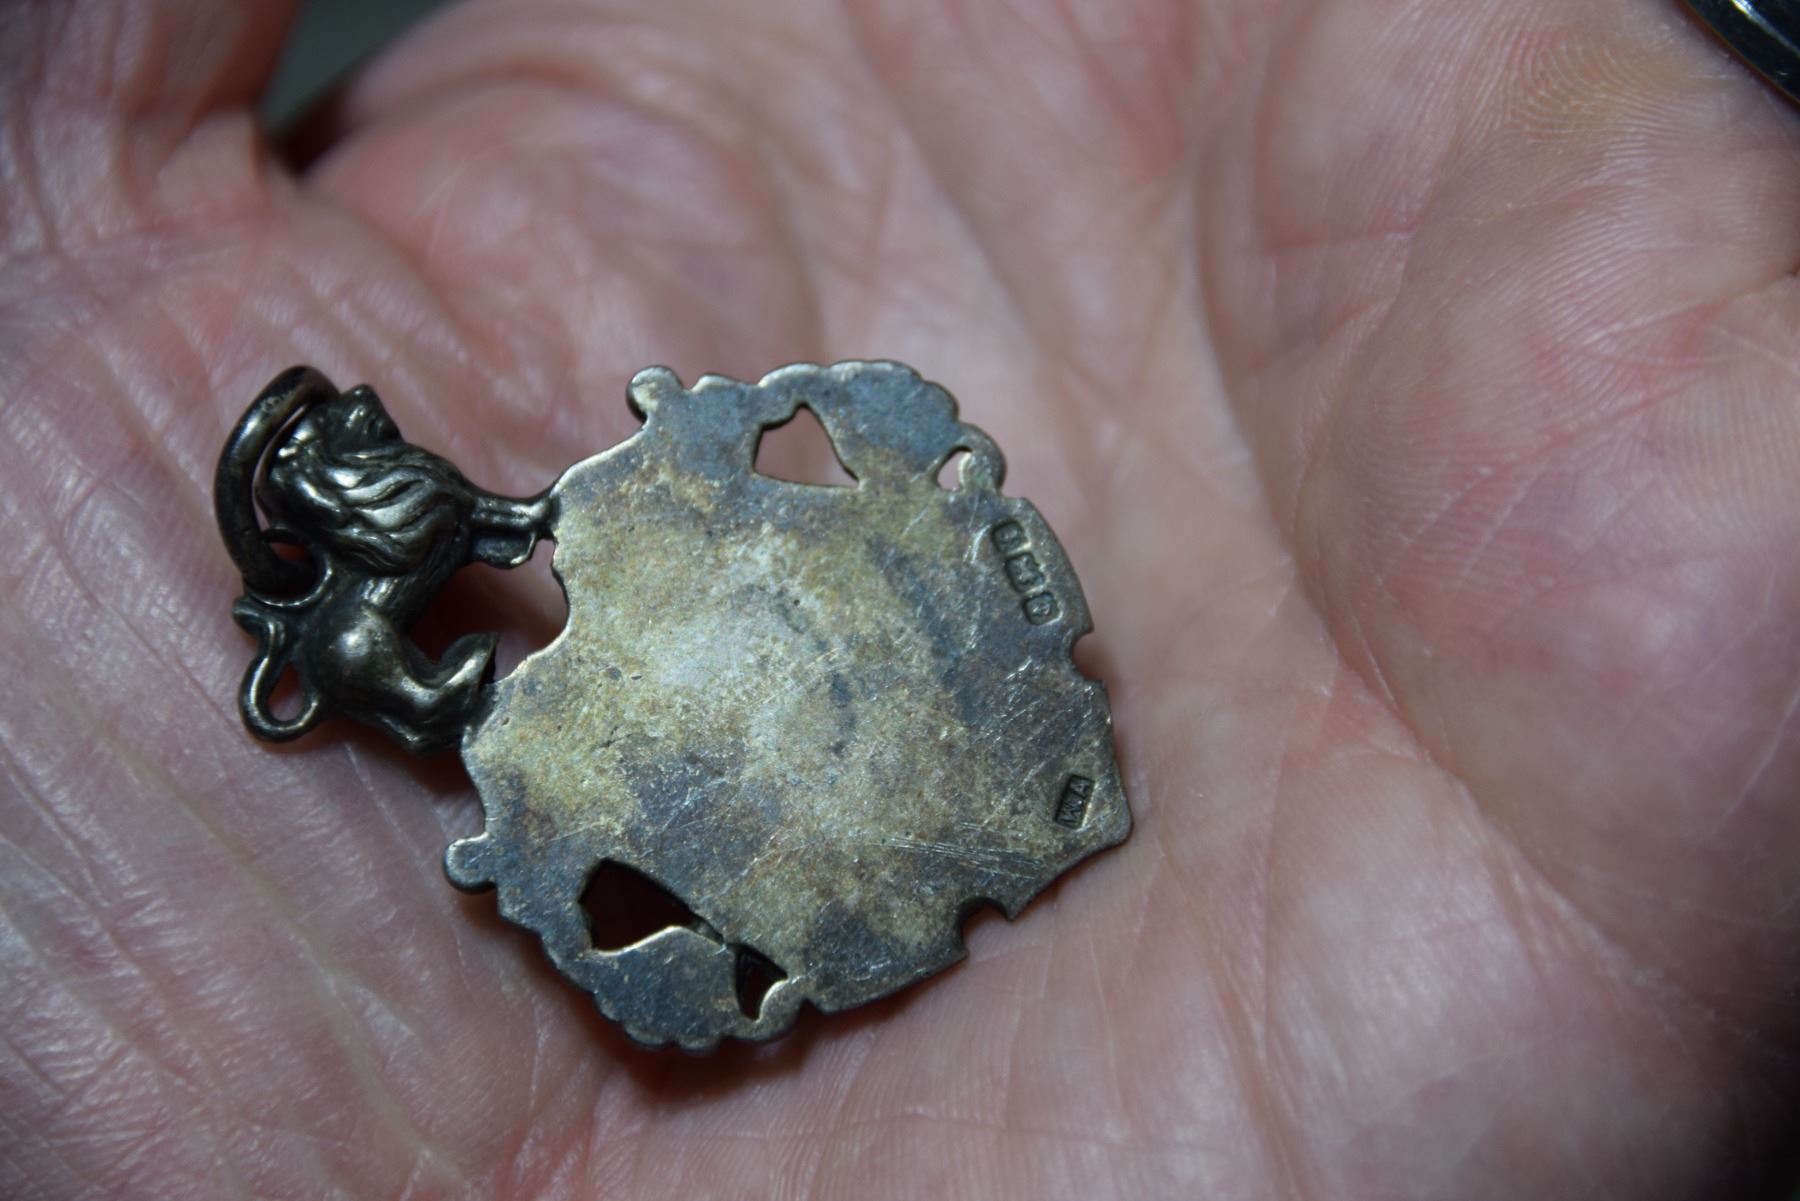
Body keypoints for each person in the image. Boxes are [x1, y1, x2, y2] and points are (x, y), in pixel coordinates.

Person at [1, 1, 1795, 1197]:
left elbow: (526, 523)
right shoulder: (477, 647)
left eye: (347, 438)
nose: (361, 456)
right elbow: (463, 651)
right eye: (324, 463)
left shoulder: (579, 526)